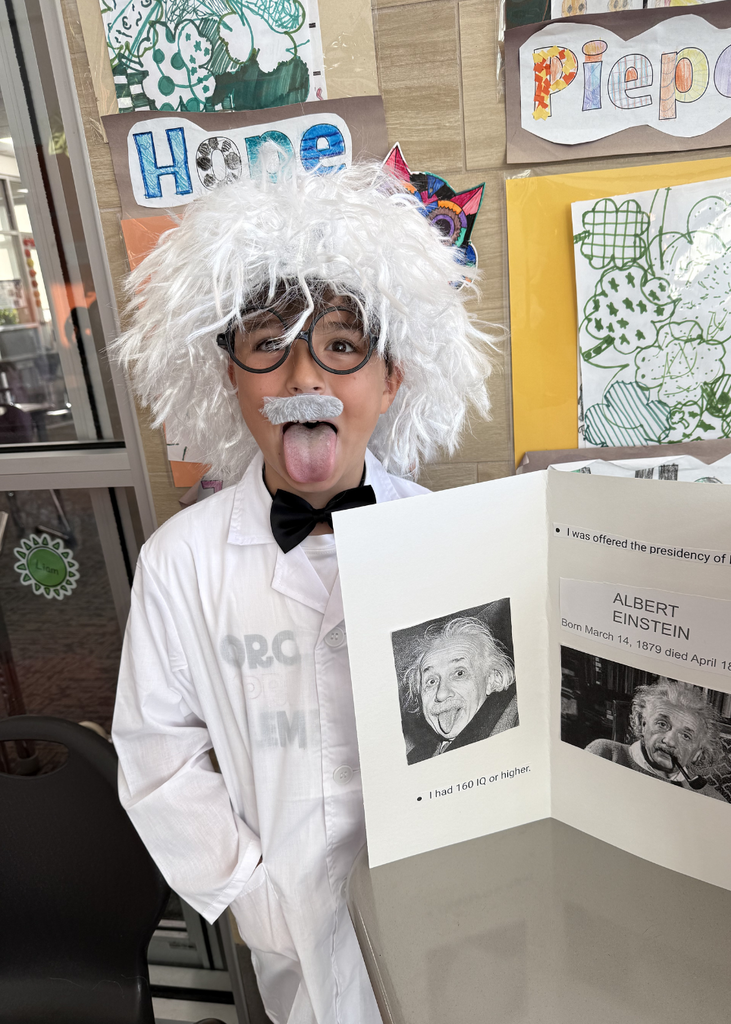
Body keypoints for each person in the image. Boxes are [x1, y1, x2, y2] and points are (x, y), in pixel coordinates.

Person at [110, 157, 494, 1024]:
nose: (303, 381)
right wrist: (244, 888)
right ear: (230, 377)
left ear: (390, 378)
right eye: (266, 348)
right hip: (285, 910)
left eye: (342, 347)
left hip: (448, 900)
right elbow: (155, 753)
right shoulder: (180, 563)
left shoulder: (454, 539)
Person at [401, 616, 517, 764]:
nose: (441, 694)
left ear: (493, 679)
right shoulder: (413, 759)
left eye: (459, 673)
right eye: (431, 681)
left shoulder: (516, 716)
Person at [586, 678, 726, 800]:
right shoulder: (605, 753)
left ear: (697, 754)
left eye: (685, 736)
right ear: (643, 723)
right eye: (662, 724)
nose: (669, 741)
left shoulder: (711, 798)